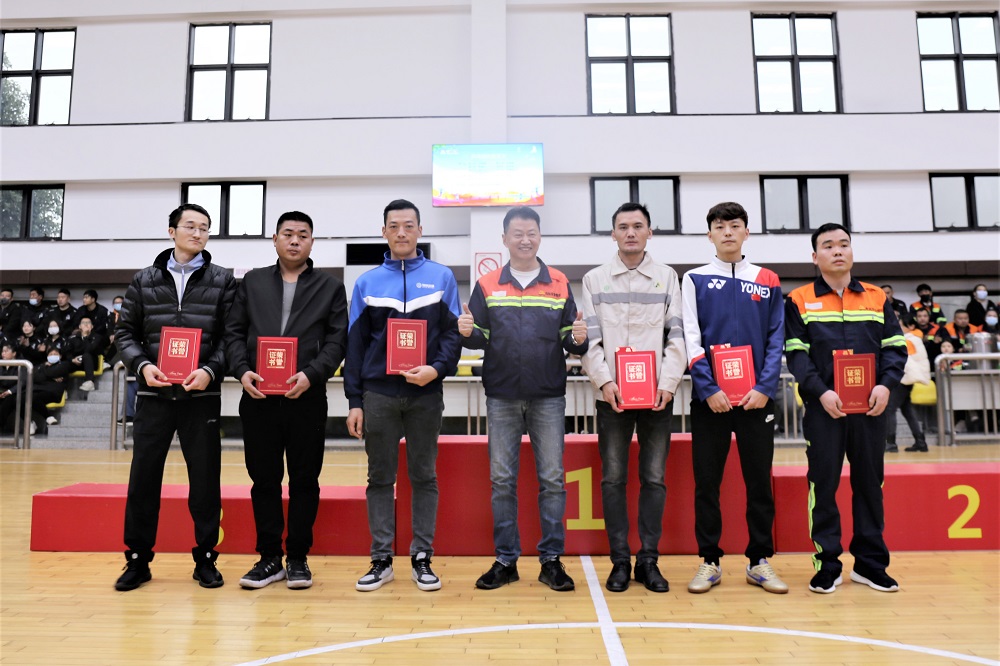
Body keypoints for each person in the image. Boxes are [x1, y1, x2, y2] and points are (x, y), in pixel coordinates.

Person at [457, 206, 588, 592]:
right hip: (501, 396)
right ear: (505, 239)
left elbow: (569, 338)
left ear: (540, 237)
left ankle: (551, 560)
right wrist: (466, 331)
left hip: (548, 396)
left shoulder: (559, 283)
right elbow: (479, 338)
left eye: (531, 233)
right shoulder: (487, 284)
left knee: (552, 479)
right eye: (517, 233)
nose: (525, 239)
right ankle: (505, 560)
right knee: (502, 480)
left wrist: (578, 339)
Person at [113, 203, 237, 592]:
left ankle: (206, 558)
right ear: (172, 231)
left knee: (205, 481)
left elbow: (230, 337)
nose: (198, 233)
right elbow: (125, 334)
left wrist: (210, 370)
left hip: (202, 397)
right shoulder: (144, 280)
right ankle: (137, 560)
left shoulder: (223, 280)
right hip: (154, 395)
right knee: (143, 479)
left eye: (205, 228)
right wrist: (142, 366)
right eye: (190, 226)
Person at [226, 211, 348, 591]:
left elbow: (337, 340)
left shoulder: (330, 287)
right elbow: (233, 332)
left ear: (312, 242)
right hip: (259, 396)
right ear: (275, 239)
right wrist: (241, 370)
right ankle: (268, 558)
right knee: (263, 480)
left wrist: (312, 374)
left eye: (303, 235)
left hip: (306, 398)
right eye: (288, 234)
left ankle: (297, 558)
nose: (295, 240)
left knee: (304, 480)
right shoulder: (252, 282)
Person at [345, 199, 462, 593]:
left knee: (424, 476)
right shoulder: (366, 283)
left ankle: (422, 557)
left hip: (425, 395)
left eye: (408, 225)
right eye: (393, 226)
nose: (401, 232)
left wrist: (436, 369)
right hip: (378, 395)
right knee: (379, 478)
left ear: (420, 231)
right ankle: (381, 559)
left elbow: (452, 336)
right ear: (384, 232)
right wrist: (355, 401)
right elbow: (356, 346)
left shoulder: (442, 277)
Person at [784, 223, 907, 594]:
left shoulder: (876, 298)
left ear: (852, 251)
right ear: (815, 257)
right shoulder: (799, 299)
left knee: (870, 485)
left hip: (870, 410)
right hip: (824, 410)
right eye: (828, 246)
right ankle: (827, 564)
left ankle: (870, 565)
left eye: (843, 244)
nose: (837, 251)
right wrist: (821, 392)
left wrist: (885, 385)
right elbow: (797, 355)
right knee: (822, 485)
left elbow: (895, 348)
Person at [681, 202, 786, 595]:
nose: (728, 232)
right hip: (711, 401)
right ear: (709, 234)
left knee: (759, 481)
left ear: (746, 232)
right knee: (707, 482)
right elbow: (690, 335)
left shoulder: (767, 279)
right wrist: (708, 389)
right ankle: (709, 560)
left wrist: (765, 387)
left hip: (757, 400)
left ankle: (759, 561)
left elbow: (776, 337)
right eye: (720, 226)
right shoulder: (694, 279)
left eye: (735, 225)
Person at [581, 202, 685, 593]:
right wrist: (604, 382)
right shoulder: (594, 280)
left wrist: (668, 383)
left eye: (637, 226)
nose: (630, 232)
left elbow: (678, 336)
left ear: (649, 232)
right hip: (612, 398)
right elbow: (589, 339)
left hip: (657, 397)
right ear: (613, 234)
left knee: (654, 479)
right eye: (623, 226)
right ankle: (620, 562)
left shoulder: (667, 278)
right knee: (612, 479)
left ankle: (649, 561)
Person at [0, 345, 71, 435]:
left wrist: (44, 370)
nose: (53, 355)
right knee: (20, 398)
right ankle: (30, 423)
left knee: (32, 397)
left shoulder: (64, 365)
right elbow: (34, 377)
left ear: (60, 356)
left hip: (53, 392)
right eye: (50, 354)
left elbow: (52, 372)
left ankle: (47, 416)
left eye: (55, 354)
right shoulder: (41, 366)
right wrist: (46, 371)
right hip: (36, 390)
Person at [64, 316, 104, 391]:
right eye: (83, 323)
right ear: (79, 326)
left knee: (86, 355)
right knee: (64, 364)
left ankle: (90, 382)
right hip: (76, 362)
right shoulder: (73, 338)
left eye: (88, 323)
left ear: (92, 326)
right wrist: (72, 360)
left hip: (91, 363)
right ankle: (62, 386)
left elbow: (89, 350)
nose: (86, 324)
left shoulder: (97, 337)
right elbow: (68, 352)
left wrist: (85, 337)